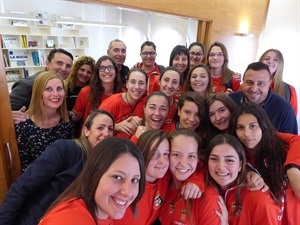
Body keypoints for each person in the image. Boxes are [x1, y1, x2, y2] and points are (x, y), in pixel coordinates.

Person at [0, 110, 114, 225]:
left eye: (110, 129)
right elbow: (22, 187)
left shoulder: (107, 166)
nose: (106, 133)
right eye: (100, 128)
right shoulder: (65, 149)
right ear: (86, 131)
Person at [38, 137, 146, 225]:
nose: (128, 192)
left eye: (135, 180)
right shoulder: (72, 219)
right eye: (117, 177)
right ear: (95, 174)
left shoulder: (101, 213)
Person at [228, 102, 300, 225]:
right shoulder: (236, 159)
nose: (247, 133)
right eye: (240, 127)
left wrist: (292, 167)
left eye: (253, 126)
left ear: (263, 126)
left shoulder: (284, 149)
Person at [205, 133, 283, 225]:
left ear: (240, 165)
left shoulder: (258, 199)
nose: (221, 167)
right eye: (214, 159)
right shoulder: (202, 189)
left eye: (229, 160)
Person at [159, 128, 226, 225]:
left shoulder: (208, 197)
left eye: (191, 156)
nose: (183, 163)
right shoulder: (161, 182)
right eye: (176, 155)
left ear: (198, 158)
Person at [15, 71, 74, 172]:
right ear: (38, 92)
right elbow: (24, 167)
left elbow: (72, 155)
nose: (55, 94)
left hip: (65, 179)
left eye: (59, 89)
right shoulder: (23, 124)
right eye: (48, 89)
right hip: (37, 182)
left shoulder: (67, 118)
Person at [229, 61, 298, 134]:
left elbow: (291, 142)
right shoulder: (230, 100)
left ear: (269, 84)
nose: (254, 89)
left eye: (261, 84)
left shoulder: (284, 109)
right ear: (243, 82)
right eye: (249, 82)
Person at [99, 68, 147, 138]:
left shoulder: (147, 103)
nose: (137, 87)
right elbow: (96, 126)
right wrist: (116, 126)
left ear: (146, 86)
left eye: (141, 83)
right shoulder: (110, 104)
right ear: (127, 84)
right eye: (133, 82)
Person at [72, 55, 122, 123]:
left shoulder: (123, 93)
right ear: (97, 73)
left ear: (116, 72)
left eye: (110, 67)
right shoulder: (86, 92)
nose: (106, 71)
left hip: (114, 133)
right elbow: (76, 116)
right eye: (102, 68)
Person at [258, 48, 298, 115]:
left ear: (280, 64)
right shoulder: (248, 85)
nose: (270, 61)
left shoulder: (290, 90)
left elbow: (291, 118)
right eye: (267, 59)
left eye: (275, 60)